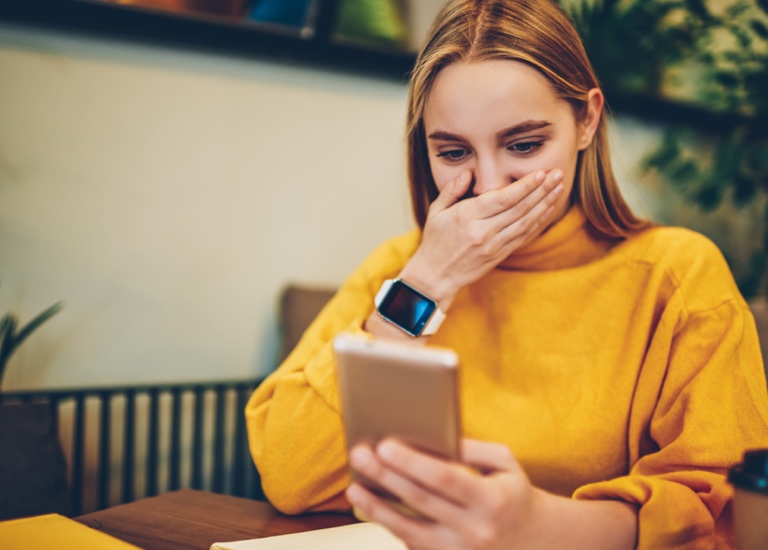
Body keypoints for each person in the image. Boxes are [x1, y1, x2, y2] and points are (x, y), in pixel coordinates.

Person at [245, 0, 768, 547]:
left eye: (523, 145)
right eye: (452, 152)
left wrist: (541, 527)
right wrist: (423, 287)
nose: (490, 185)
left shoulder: (675, 274)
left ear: (587, 120)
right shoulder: (402, 267)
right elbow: (288, 476)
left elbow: (734, 516)